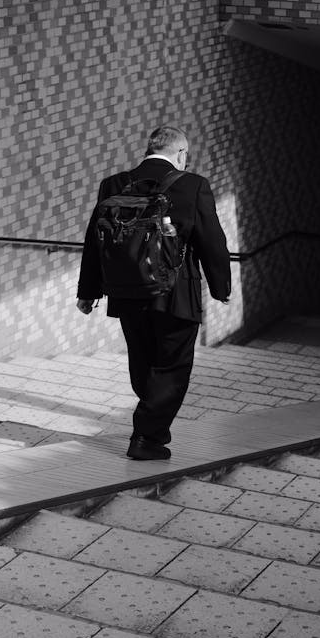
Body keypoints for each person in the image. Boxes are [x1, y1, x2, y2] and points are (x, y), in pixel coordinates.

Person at [76, 125, 231, 460]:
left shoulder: (114, 184)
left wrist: (88, 291)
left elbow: (94, 240)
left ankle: (148, 425)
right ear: (179, 153)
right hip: (175, 293)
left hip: (126, 292)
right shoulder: (193, 185)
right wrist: (221, 288)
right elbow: (212, 241)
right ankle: (147, 438)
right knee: (172, 367)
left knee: (144, 362)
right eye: (185, 156)